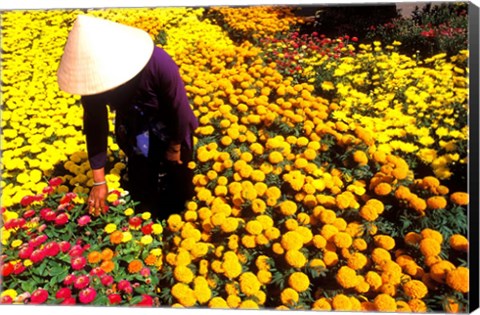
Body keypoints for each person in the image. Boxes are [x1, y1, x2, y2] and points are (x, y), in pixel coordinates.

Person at [57, 15, 198, 221]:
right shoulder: (92, 83)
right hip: (135, 129)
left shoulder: (158, 62)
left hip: (169, 126)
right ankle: (148, 221)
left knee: (180, 179)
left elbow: (180, 111)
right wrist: (98, 181)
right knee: (142, 184)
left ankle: (178, 218)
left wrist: (174, 148)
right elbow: (95, 126)